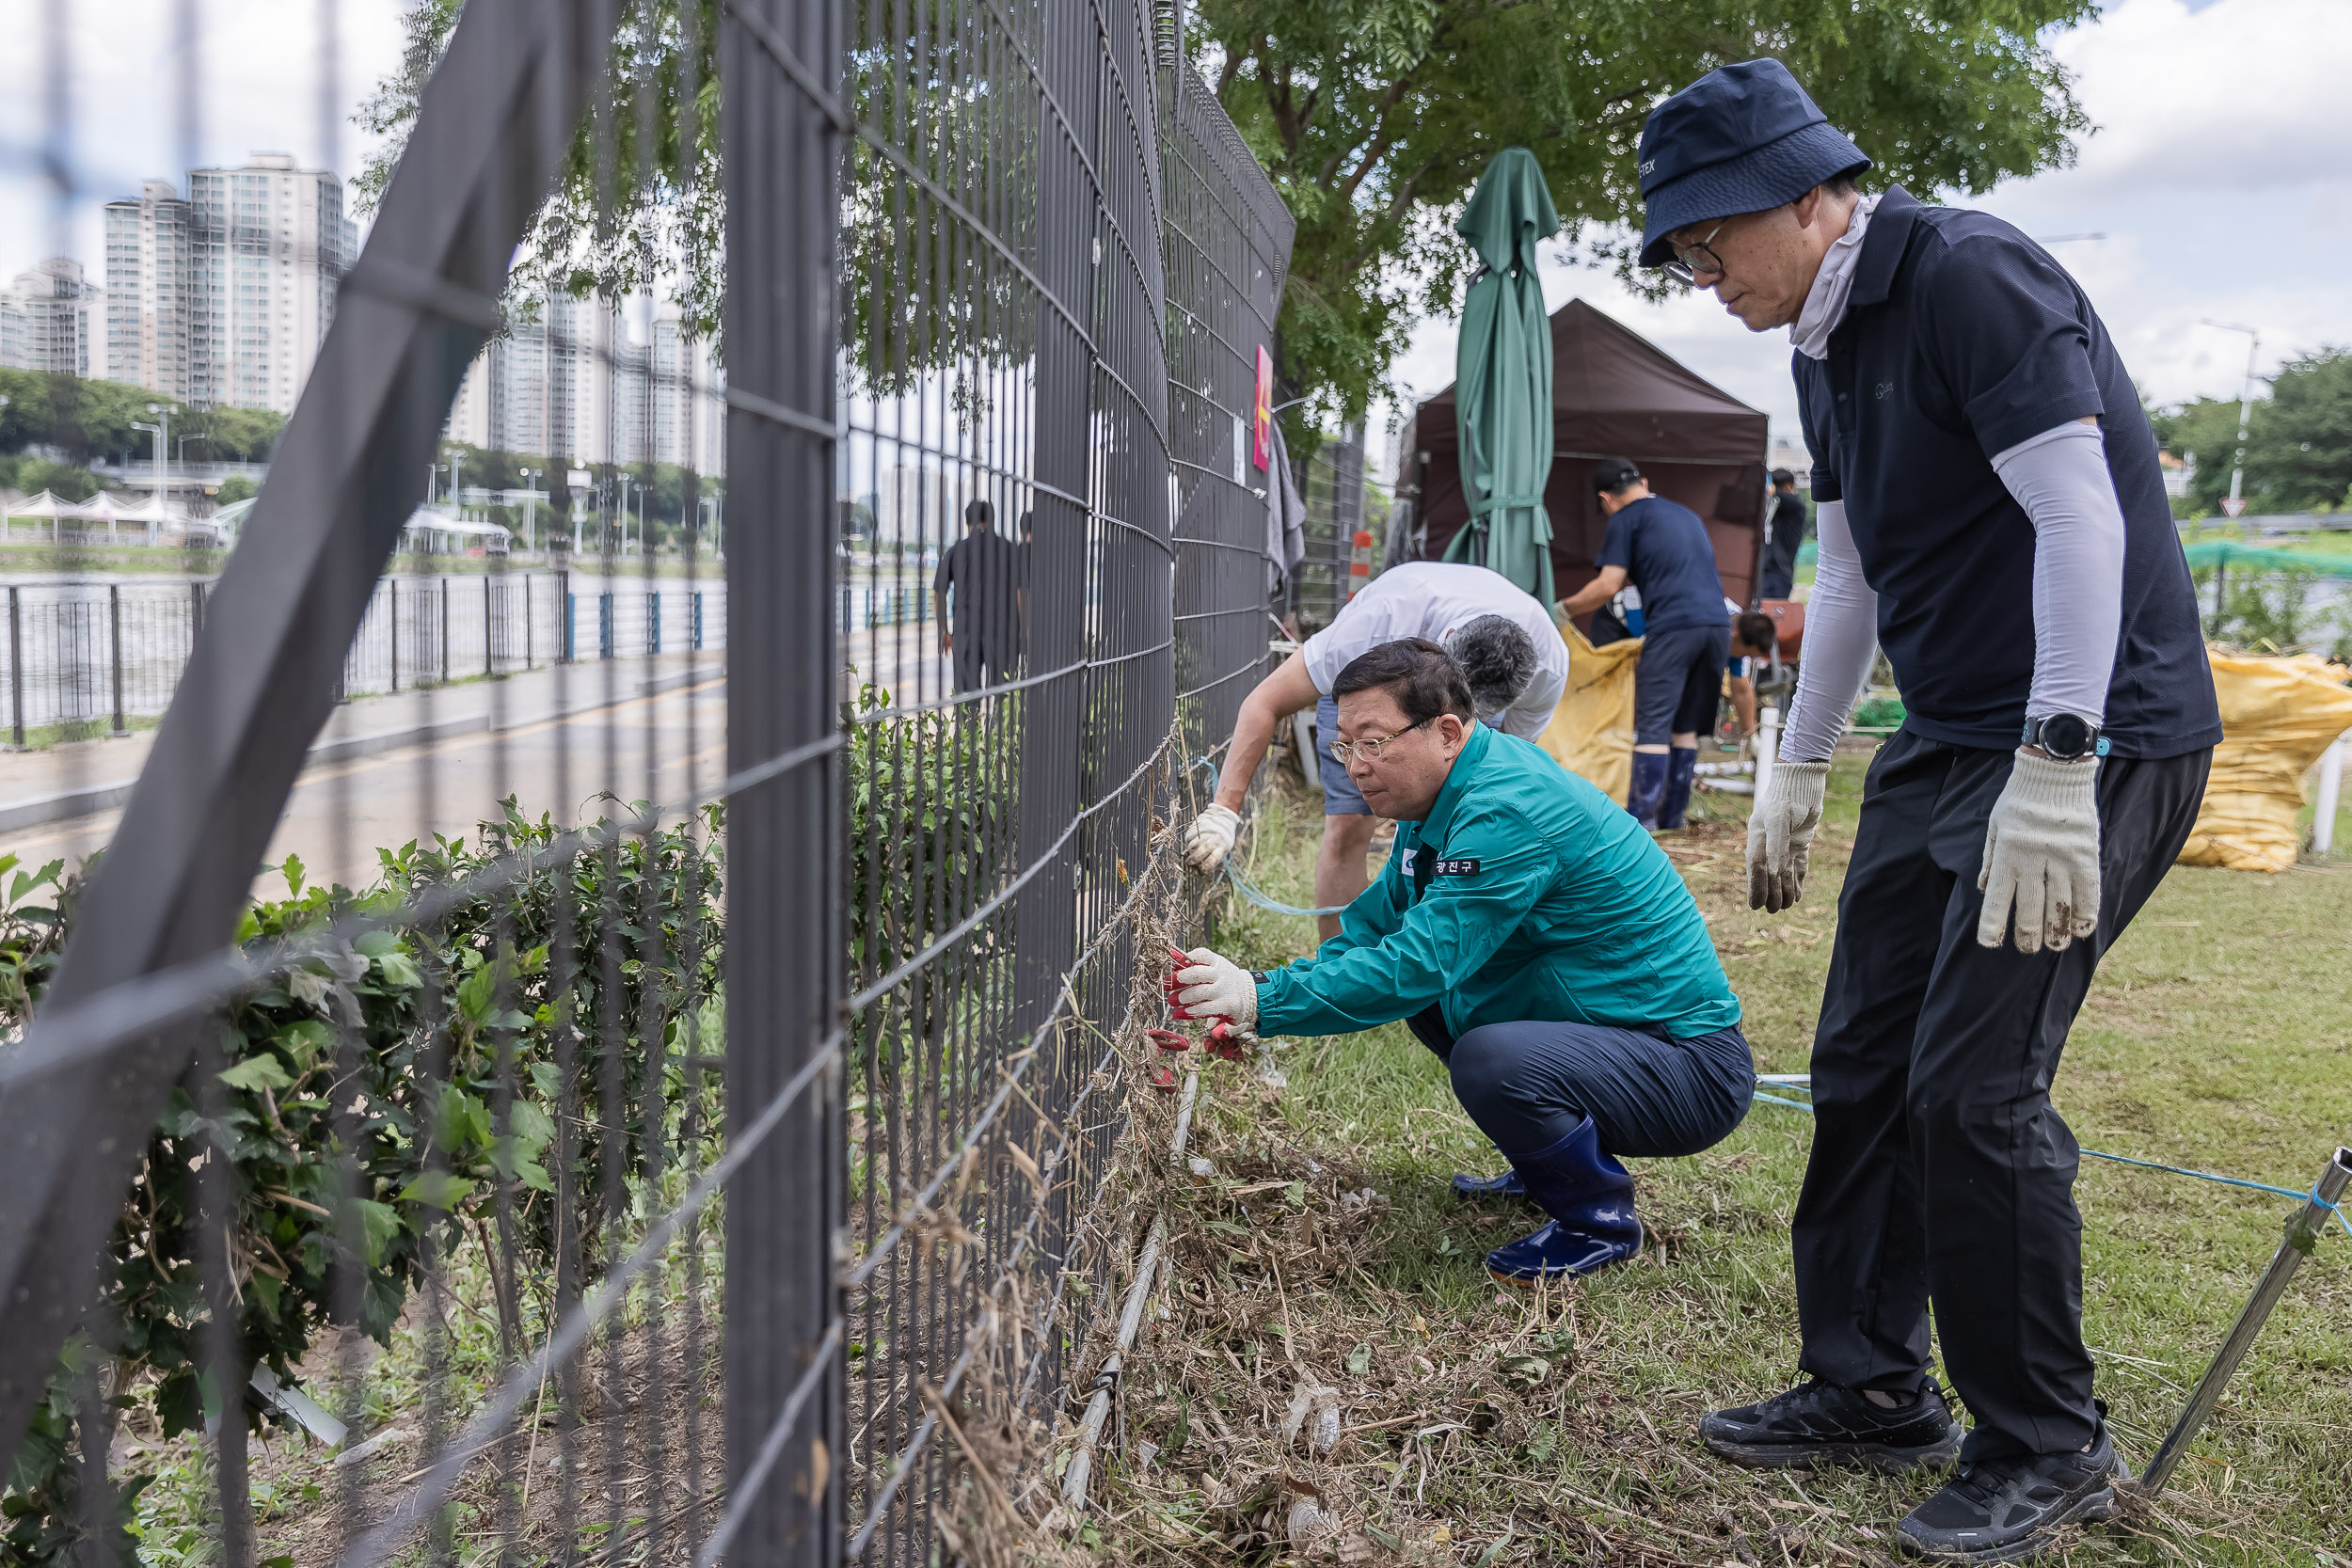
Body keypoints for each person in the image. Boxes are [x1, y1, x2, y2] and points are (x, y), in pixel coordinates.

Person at [1635, 56, 2218, 1560]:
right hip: (1950, 731)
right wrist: (1803, 758)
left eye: (1712, 243)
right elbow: (1856, 569)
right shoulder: (1819, 341)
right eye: (1685, 256)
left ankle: (2050, 1440)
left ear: (1807, 196)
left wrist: (2059, 757)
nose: (1704, 276)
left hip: (2100, 730)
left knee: (1975, 1086)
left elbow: (2081, 521)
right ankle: (1873, 1382)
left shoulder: (1970, 277)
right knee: (1861, 1059)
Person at [1170, 640, 1751, 1282]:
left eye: (1373, 741)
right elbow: (1377, 930)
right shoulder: (1443, 798)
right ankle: (1545, 1168)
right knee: (1439, 1008)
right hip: (1620, 1035)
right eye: (1344, 746)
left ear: (1447, 731)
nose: (1356, 766)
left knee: (1484, 1053)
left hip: (1688, 1063)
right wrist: (1261, 997)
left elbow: (1418, 963)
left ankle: (1596, 1219)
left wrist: (1260, 996)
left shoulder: (1502, 809)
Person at [1183, 562, 1568, 941]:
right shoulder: (1380, 623)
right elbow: (1264, 702)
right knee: (1348, 827)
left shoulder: (1547, 670)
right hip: (1369, 680)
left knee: (1459, 829)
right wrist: (1225, 811)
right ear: (1443, 641)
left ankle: (1424, 959)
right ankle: (1338, 971)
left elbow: (1506, 771)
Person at [1556, 458, 1727, 830]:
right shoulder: (1686, 515)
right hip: (1717, 626)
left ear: (1606, 499)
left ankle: (1642, 823)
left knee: (1653, 725)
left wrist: (1561, 611)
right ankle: (1673, 819)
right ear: (1643, 482)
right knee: (1684, 726)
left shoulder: (1626, 518)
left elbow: (1608, 585)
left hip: (1673, 628)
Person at [933, 499, 1021, 692]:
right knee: (1004, 696)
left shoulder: (956, 550)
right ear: (992, 522)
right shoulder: (1008, 549)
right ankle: (1001, 722)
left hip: (965, 631)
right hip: (1001, 632)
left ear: (968, 524)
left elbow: (939, 592)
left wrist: (943, 631)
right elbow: (1020, 593)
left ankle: (969, 722)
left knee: (966, 699)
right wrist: (1022, 632)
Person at [1724, 610, 1779, 742]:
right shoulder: (1713, 620)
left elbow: (1742, 691)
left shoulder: (1741, 634)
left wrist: (1751, 736)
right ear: (1735, 636)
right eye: (1745, 654)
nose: (1745, 658)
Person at [1761, 470, 1807, 600]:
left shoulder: (1796, 505)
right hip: (1763, 571)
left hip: (1779, 573)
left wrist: (1768, 488)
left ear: (1788, 487)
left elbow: (1778, 497)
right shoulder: (1770, 505)